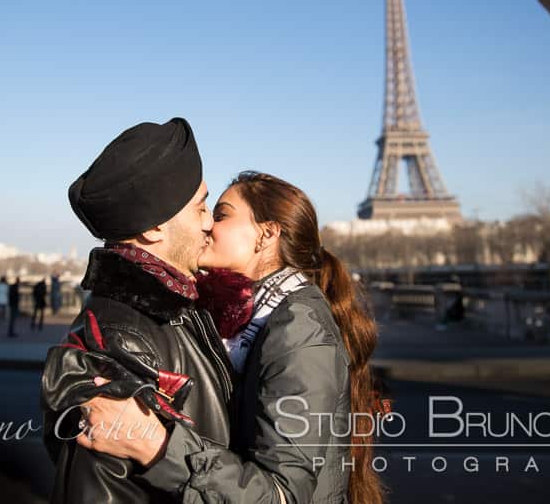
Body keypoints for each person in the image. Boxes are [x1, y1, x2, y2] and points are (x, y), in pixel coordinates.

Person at [74, 171, 389, 504]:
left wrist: (156, 444)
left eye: (221, 214)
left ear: (266, 234)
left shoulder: (299, 327)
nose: (208, 224)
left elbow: (283, 494)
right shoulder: (246, 318)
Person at [40, 117, 233, 504]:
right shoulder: (124, 338)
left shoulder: (168, 307)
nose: (210, 223)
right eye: (200, 207)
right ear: (154, 229)